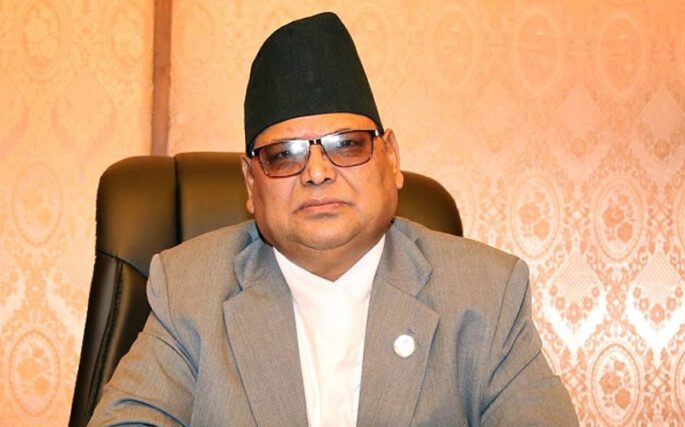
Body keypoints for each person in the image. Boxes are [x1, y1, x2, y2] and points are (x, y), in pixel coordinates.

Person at [89, 12, 577, 426]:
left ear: (391, 158)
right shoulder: (189, 291)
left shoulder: (486, 294)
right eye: (284, 154)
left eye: (347, 145)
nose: (317, 172)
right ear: (251, 184)